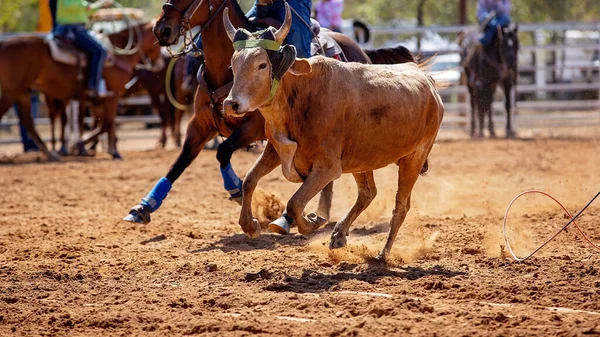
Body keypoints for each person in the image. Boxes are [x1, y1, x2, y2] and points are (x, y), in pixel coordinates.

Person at [52, 0, 114, 99]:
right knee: (100, 51)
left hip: (75, 29)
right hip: (72, 30)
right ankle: (93, 86)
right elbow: (70, 5)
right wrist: (85, 5)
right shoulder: (79, 2)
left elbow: (85, 11)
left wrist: (101, 4)